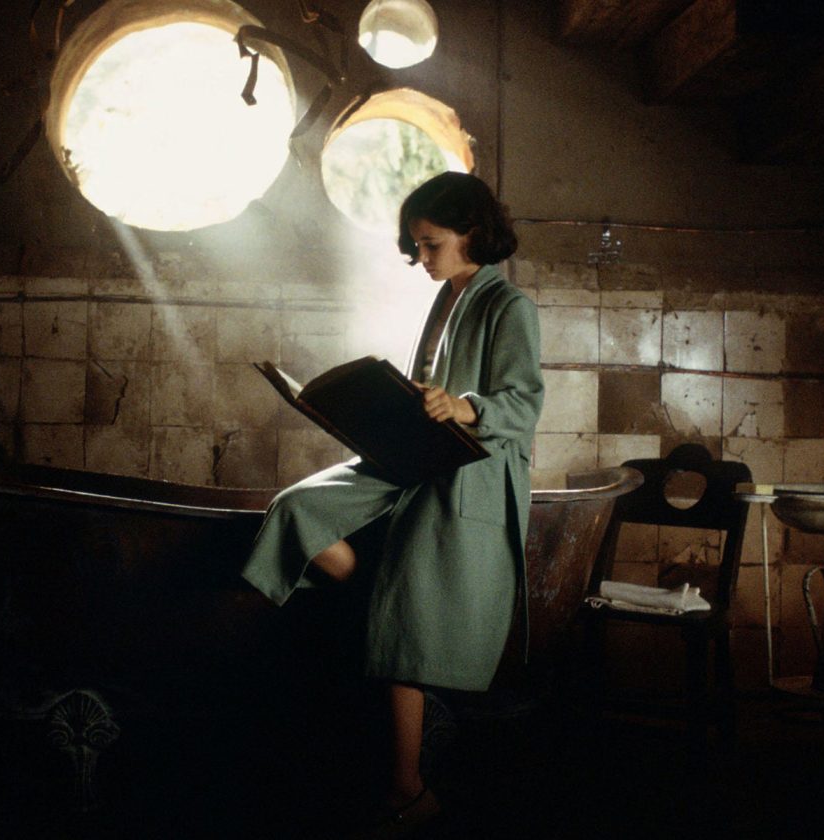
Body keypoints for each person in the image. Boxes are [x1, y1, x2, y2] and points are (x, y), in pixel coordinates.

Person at [242, 171, 543, 832]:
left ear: (471, 233)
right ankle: (379, 594)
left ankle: (407, 789)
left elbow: (523, 403)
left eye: (431, 244)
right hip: (418, 453)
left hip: (466, 469)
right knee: (297, 508)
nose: (422, 258)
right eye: (417, 246)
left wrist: (463, 406)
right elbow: (426, 392)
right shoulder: (446, 299)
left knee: (403, 630)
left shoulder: (507, 305)